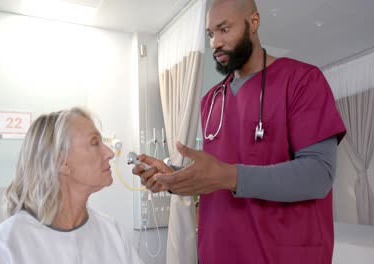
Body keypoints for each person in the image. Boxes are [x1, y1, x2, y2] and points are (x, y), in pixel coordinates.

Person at [132, 0, 346, 263]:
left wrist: (229, 176)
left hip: (280, 253)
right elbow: (216, 177)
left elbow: (319, 175)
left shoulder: (302, 80)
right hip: (219, 251)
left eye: (224, 29)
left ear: (253, 22)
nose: (215, 43)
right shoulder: (211, 100)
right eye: (210, 34)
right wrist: (175, 179)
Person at [0, 107, 143, 264]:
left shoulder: (112, 232)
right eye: (94, 143)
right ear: (61, 161)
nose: (110, 153)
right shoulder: (8, 243)